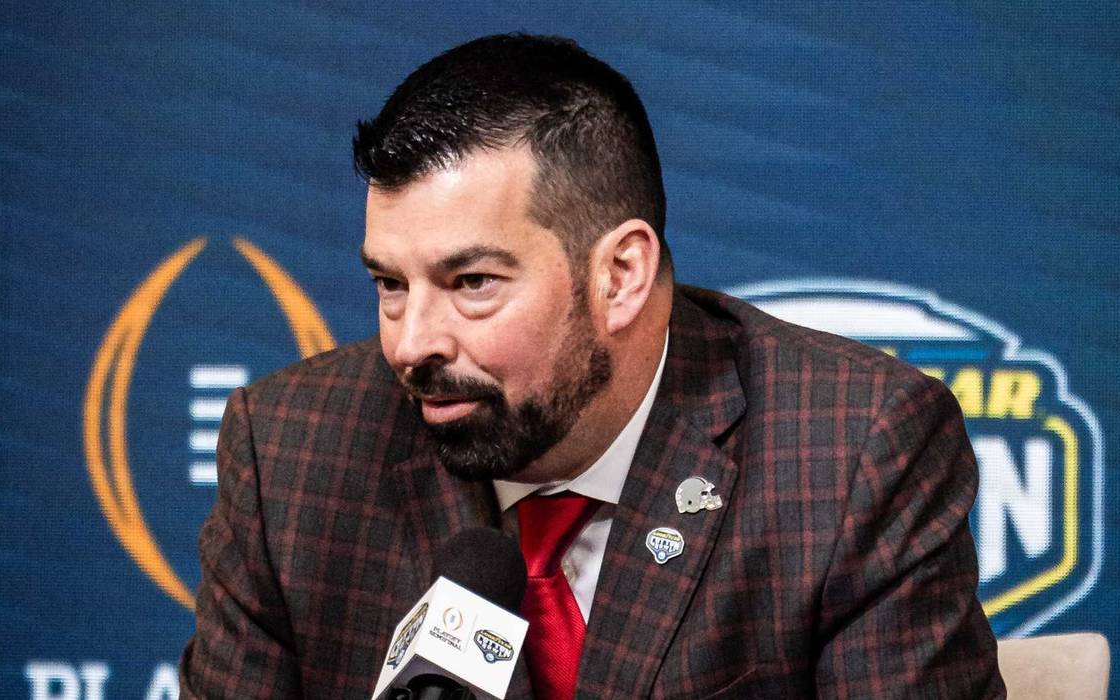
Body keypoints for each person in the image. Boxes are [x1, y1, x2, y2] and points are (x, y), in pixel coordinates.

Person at [180, 34, 1004, 698]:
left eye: (471, 283)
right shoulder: (289, 453)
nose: (409, 343)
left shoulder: (852, 452)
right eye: (391, 285)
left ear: (619, 276)